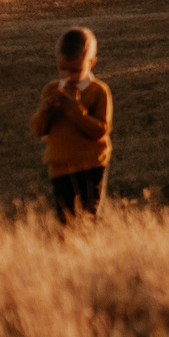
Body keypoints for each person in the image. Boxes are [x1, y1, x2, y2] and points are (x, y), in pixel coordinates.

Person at [32, 26, 114, 223]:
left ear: (92, 63)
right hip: (60, 166)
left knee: (89, 216)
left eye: (75, 70)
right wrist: (45, 111)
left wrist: (74, 110)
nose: (67, 75)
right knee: (64, 218)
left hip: (91, 164)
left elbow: (100, 130)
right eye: (62, 69)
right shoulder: (52, 90)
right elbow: (39, 130)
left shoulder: (98, 91)